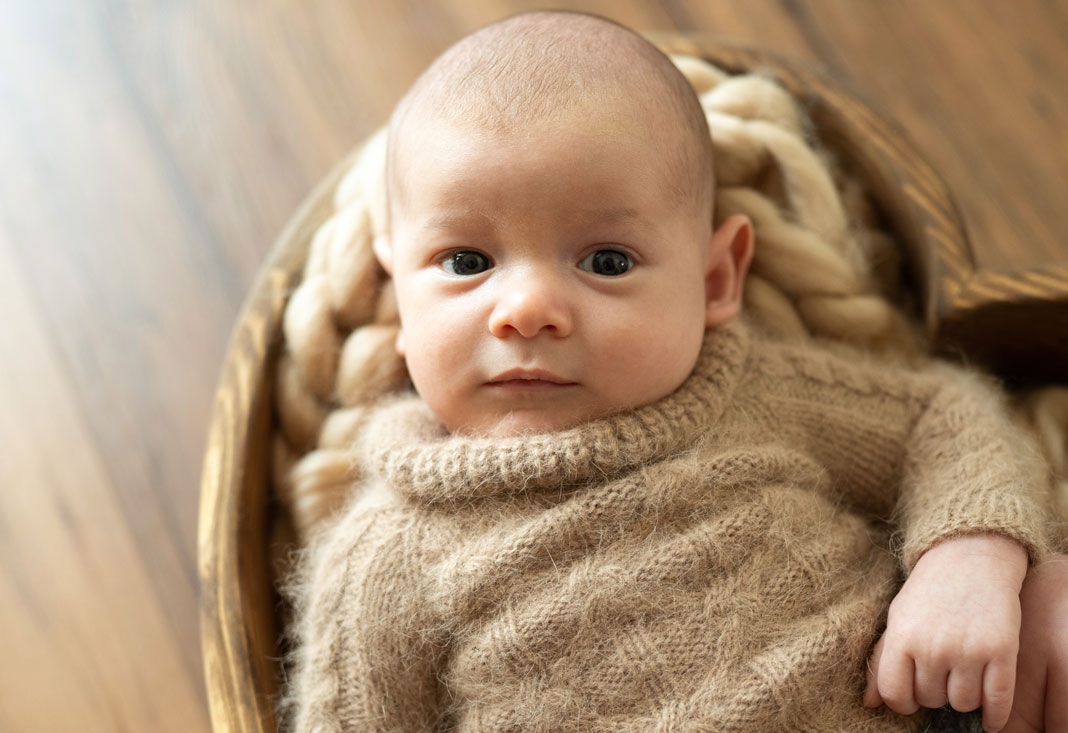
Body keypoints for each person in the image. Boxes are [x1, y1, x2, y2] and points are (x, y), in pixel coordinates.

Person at [284, 11, 1064, 732]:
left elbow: (942, 417)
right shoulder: (385, 555)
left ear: (716, 280)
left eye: (608, 260)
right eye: (466, 261)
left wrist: (967, 557)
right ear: (396, 288)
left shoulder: (756, 395)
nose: (524, 310)